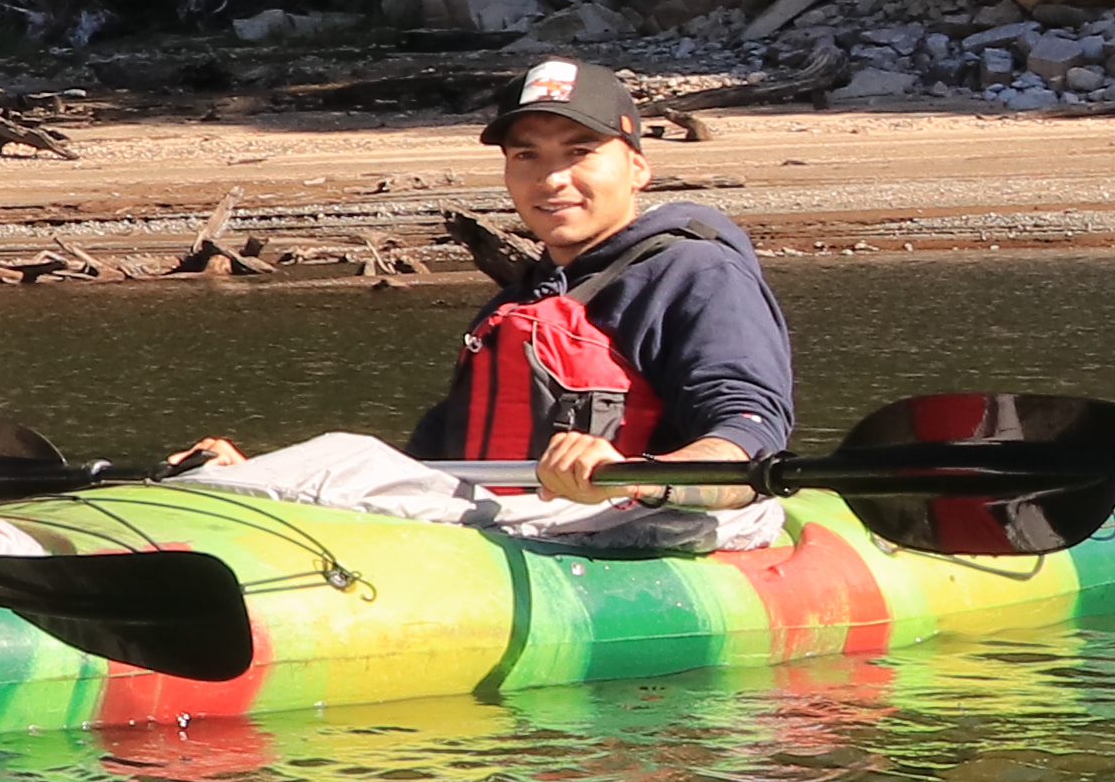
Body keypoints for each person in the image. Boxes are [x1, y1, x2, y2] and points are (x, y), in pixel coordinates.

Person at [172, 45, 796, 519]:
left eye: (580, 152)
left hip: (630, 532)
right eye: (527, 155)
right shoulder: (521, 302)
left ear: (637, 168)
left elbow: (748, 437)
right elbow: (422, 470)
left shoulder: (695, 273)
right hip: (509, 534)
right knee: (332, 455)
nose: (551, 179)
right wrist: (260, 481)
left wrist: (635, 475)